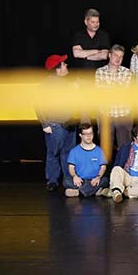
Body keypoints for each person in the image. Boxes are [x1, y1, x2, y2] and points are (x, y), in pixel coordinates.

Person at [36, 54, 77, 192]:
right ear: (57, 69)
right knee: (53, 153)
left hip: (70, 123)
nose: (66, 65)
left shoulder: (67, 84)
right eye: (64, 64)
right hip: (55, 124)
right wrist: (45, 124)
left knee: (68, 154)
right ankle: (52, 180)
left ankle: (68, 180)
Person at [95, 44, 133, 148]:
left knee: (125, 148)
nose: (118, 58)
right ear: (109, 55)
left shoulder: (127, 72)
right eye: (116, 55)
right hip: (105, 113)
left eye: (121, 56)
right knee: (105, 148)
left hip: (123, 113)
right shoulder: (100, 72)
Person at [64, 123, 109, 198]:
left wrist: (98, 177)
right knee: (66, 181)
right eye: (85, 134)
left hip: (94, 180)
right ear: (80, 135)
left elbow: (103, 167)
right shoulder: (74, 151)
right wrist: (75, 176)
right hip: (80, 180)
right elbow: (71, 167)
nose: (89, 136)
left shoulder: (99, 150)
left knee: (105, 180)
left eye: (90, 133)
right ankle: (96, 191)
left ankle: (79, 192)